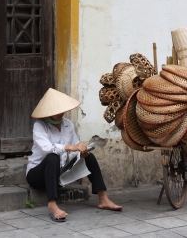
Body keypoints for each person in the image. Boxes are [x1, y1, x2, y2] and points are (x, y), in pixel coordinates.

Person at [26, 88, 122, 222]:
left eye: (62, 109)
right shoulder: (40, 126)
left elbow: (75, 145)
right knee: (53, 157)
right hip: (37, 176)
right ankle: (52, 205)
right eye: (56, 110)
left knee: (89, 156)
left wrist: (82, 150)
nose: (60, 113)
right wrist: (70, 147)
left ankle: (103, 198)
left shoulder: (67, 124)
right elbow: (47, 149)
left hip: (59, 173)